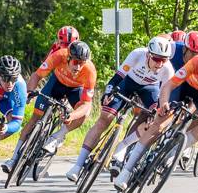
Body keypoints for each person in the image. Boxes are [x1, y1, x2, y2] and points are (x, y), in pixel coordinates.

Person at [113, 44, 198, 191]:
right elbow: (168, 86)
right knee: (160, 123)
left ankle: (174, 151)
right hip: (183, 86)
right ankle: (126, 171)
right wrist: (163, 104)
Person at [66, 37, 174, 182]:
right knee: (104, 119)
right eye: (156, 59)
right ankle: (78, 166)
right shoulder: (137, 55)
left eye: (164, 60)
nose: (160, 64)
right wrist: (108, 92)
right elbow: (117, 77)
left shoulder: (167, 69)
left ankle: (123, 146)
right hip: (127, 83)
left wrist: (160, 110)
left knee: (154, 119)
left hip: (150, 89)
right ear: (148, 54)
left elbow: (165, 94)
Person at [3, 41, 97, 174]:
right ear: (68, 58)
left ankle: (57, 137)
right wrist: (29, 92)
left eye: (82, 63)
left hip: (75, 89)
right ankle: (13, 159)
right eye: (75, 62)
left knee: (83, 115)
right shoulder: (59, 55)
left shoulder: (90, 71)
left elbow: (86, 104)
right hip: (56, 83)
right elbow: (37, 75)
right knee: (35, 119)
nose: (78, 66)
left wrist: (72, 115)